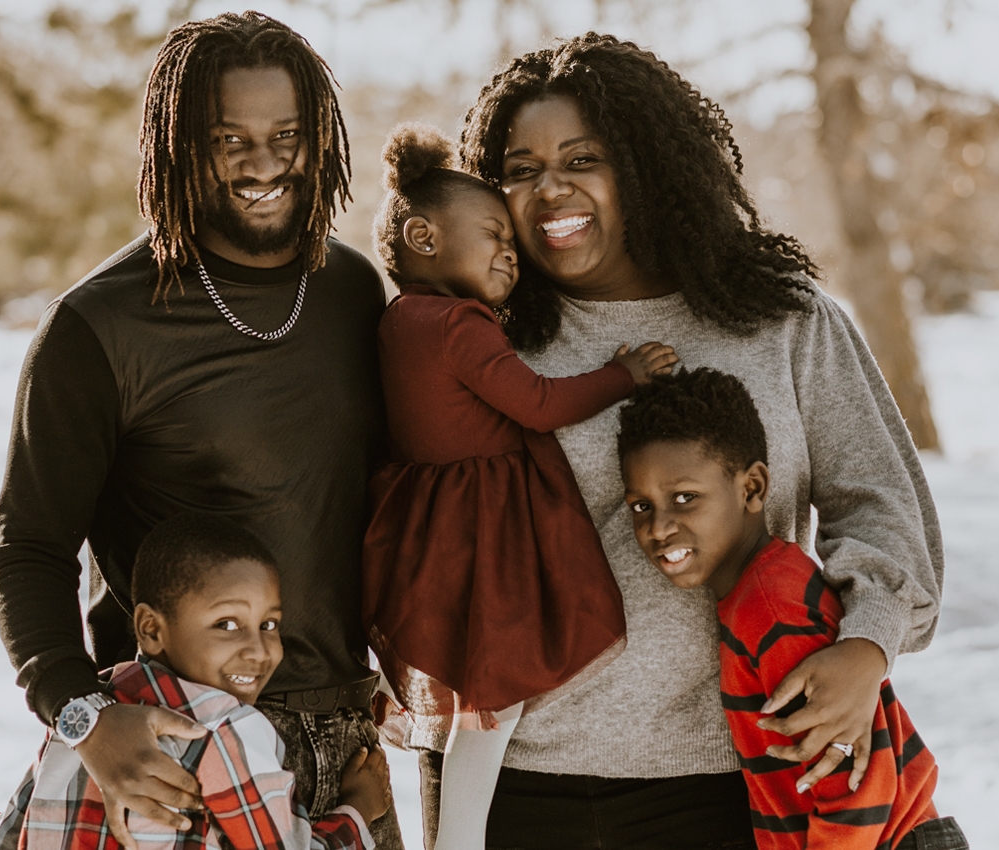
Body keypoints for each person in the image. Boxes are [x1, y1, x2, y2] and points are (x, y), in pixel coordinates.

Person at [433, 34, 946, 848]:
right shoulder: (483, 342)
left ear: (644, 165)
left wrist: (866, 647)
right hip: (523, 785)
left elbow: (880, 503)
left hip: (734, 784)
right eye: (521, 169)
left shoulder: (780, 321)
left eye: (582, 158)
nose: (550, 188)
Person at [0, 12, 399, 849]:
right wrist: (88, 722)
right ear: (177, 146)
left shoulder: (355, 291)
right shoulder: (99, 325)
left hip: (349, 746)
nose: (263, 162)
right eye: (228, 139)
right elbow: (24, 548)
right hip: (182, 748)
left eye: (286, 134)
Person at [359, 124, 677, 848]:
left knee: (480, 701)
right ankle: (460, 841)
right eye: (492, 234)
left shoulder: (397, 319)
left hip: (429, 521)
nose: (511, 250)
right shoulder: (459, 325)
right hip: (487, 529)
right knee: (494, 704)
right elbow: (536, 403)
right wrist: (623, 375)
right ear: (424, 238)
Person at [616, 369, 966, 850]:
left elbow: (855, 785)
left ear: (753, 488)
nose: (659, 528)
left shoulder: (772, 608)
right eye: (641, 507)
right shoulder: (761, 590)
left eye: (684, 498)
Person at [0, 514, 391, 850]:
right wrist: (358, 807)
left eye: (269, 624)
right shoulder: (225, 730)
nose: (259, 650)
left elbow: (10, 835)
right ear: (151, 629)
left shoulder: (88, 717)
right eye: (227, 624)